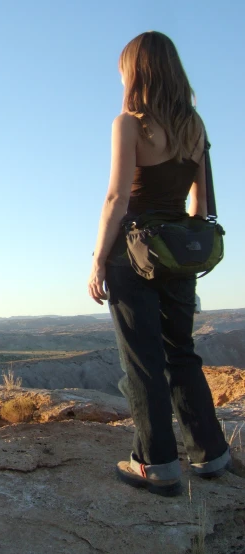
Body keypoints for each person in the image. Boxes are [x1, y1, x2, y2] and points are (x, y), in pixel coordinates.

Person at [88, 31, 230, 497]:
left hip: (133, 252)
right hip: (178, 251)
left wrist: (96, 261)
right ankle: (211, 453)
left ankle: (157, 464)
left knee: (143, 360)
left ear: (136, 72)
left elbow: (117, 196)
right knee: (181, 352)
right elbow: (201, 202)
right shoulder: (195, 126)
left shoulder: (129, 123)